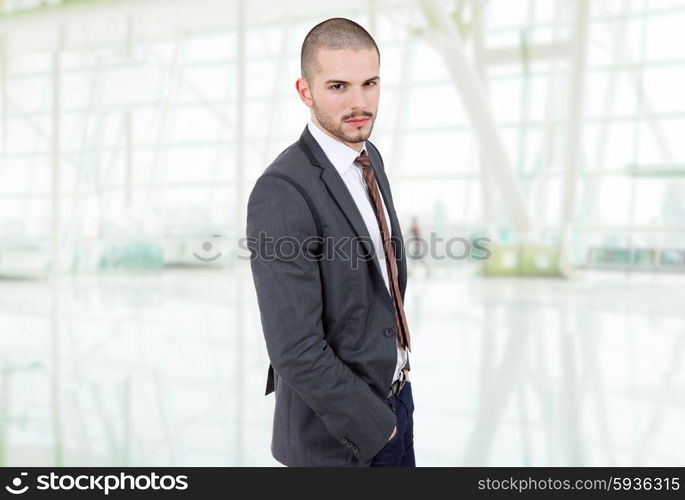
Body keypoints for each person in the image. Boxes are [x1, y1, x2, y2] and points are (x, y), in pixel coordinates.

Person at [246, 17, 415, 467]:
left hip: (397, 401)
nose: (360, 103)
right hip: (336, 438)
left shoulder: (368, 156)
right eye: (338, 86)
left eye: (370, 83)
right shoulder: (282, 189)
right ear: (306, 92)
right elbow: (293, 347)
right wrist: (378, 426)